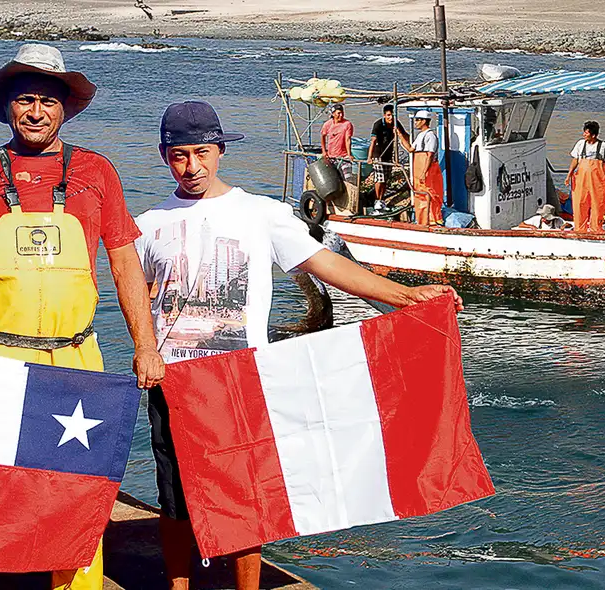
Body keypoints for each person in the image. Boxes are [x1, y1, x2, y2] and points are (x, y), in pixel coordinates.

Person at [136, 101, 463, 590]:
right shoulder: (145, 225)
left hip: (243, 377)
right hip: (174, 381)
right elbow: (136, 299)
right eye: (179, 156)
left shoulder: (263, 214)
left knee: (247, 495)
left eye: (201, 153)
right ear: (165, 157)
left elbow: (325, 265)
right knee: (174, 496)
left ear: (220, 151)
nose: (192, 167)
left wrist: (405, 297)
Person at [0, 43, 164, 590]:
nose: (35, 111)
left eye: (47, 101)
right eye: (24, 99)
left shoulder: (98, 172)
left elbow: (123, 261)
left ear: (66, 109)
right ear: (6, 106)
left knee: (74, 497)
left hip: (72, 360)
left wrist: (146, 346)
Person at [565, 120, 605, 233]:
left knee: (598, 204)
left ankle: (596, 228)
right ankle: (579, 229)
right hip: (581, 180)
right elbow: (575, 160)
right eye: (584, 132)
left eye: (586, 133)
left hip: (598, 180)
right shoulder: (580, 144)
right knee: (579, 203)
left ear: (593, 135)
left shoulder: (603, 146)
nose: (584, 135)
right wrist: (569, 175)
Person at [398, 110, 444, 226]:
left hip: (427, 170)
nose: (416, 123)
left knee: (430, 193)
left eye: (418, 120)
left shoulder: (430, 135)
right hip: (418, 170)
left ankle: (433, 219)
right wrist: (400, 135)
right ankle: (422, 219)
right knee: (419, 194)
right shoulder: (420, 135)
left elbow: (430, 155)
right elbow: (410, 149)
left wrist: (424, 171)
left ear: (424, 121)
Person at [367, 104, 408, 208]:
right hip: (378, 154)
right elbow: (373, 141)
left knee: (385, 179)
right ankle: (377, 200)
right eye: (388, 115)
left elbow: (405, 135)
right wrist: (369, 157)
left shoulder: (395, 123)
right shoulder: (378, 124)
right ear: (384, 115)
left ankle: (381, 199)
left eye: (392, 115)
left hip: (388, 154)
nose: (391, 118)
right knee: (379, 178)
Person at [320, 103, 354, 179]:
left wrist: (349, 154)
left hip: (343, 156)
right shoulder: (327, 124)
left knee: (348, 178)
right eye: (338, 113)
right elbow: (323, 136)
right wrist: (324, 151)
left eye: (342, 113)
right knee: (331, 179)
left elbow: (348, 140)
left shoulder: (347, 124)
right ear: (333, 114)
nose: (341, 115)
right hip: (331, 156)